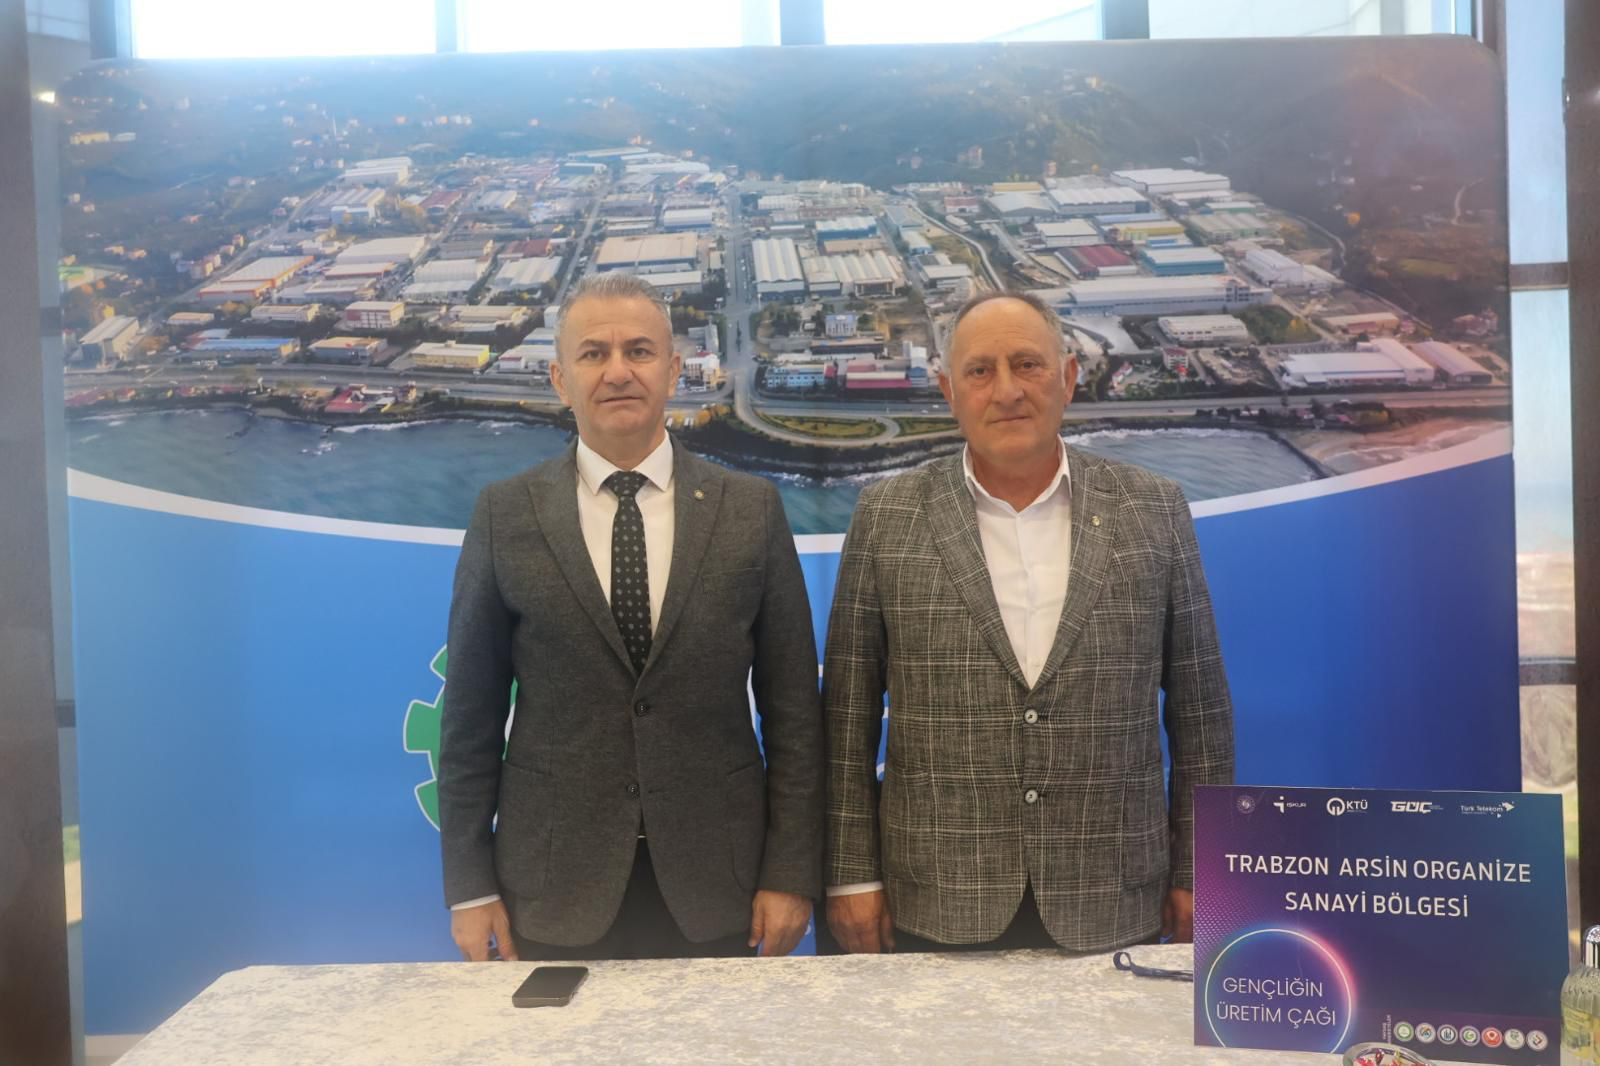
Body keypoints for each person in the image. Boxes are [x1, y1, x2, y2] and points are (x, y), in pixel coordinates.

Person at [823, 290, 1234, 954]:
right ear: (949, 391)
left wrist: (1200, 871)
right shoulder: (885, 516)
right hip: (934, 899)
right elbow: (847, 720)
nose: (1007, 390)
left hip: (1115, 899)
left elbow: (1202, 716)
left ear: (1068, 377)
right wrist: (851, 875)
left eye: (1027, 364)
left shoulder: (1153, 509)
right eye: (980, 371)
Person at [439, 272, 823, 962]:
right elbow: (470, 717)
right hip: (553, 886)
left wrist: (791, 873)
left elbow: (794, 712)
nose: (618, 371)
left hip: (722, 885)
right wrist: (469, 887)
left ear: (673, 370)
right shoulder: (504, 514)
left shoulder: (750, 509)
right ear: (560, 380)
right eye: (594, 354)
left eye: (639, 351)